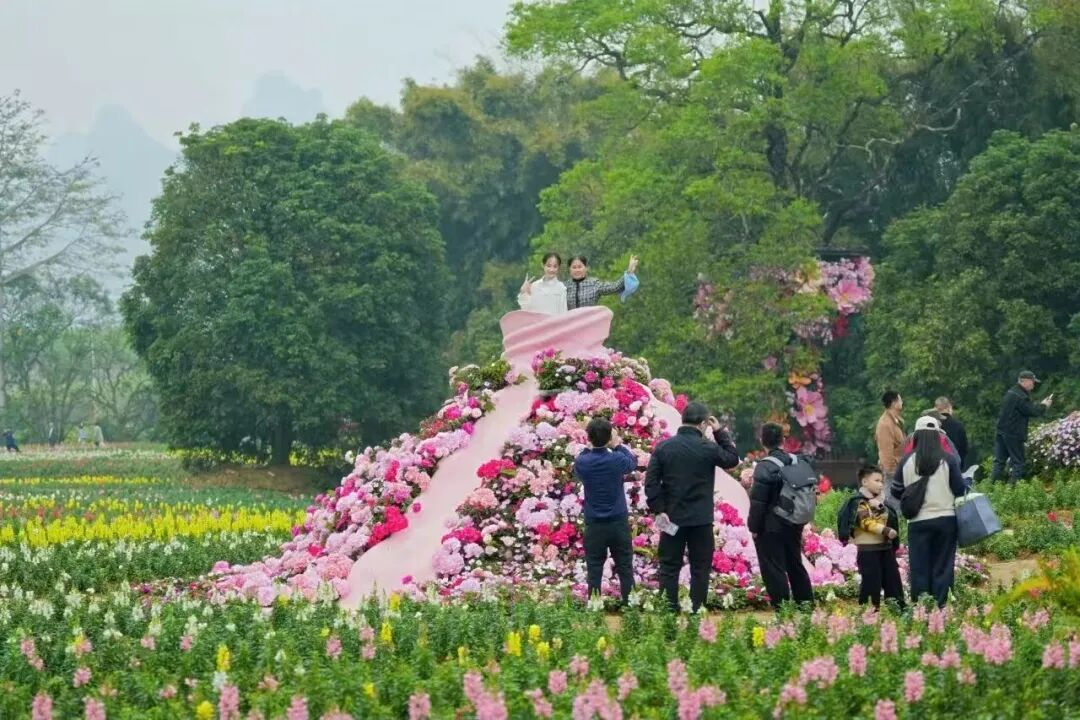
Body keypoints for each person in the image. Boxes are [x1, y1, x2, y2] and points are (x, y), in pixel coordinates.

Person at [644, 401, 739, 612]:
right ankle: (697, 612)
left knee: (669, 567)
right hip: (701, 520)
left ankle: (669, 612)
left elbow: (651, 484)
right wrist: (720, 432)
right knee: (700, 568)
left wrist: (659, 509)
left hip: (671, 519)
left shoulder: (664, 447)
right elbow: (732, 459)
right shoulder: (708, 447)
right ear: (704, 424)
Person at [890, 415, 967, 608]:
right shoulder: (948, 459)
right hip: (946, 520)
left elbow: (896, 491)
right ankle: (940, 608)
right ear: (938, 436)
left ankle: (922, 609)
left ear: (915, 436)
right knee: (943, 565)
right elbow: (960, 489)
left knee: (920, 567)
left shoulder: (907, 461)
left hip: (918, 522)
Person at [747, 423, 815, 610]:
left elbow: (758, 503)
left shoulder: (764, 467)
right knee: (795, 563)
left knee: (774, 568)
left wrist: (754, 528)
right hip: (794, 522)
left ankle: (783, 610)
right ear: (783, 440)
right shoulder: (797, 461)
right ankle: (806, 606)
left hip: (771, 526)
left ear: (762, 441)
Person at [573, 417, 638, 605]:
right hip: (618, 522)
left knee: (594, 568)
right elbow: (632, 462)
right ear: (610, 437)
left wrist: (589, 446)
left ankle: (594, 606)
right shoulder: (616, 459)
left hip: (594, 523)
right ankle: (630, 605)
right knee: (624, 566)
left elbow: (580, 464)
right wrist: (617, 444)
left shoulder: (583, 461)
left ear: (589, 437)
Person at [852, 465, 904, 610]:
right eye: (876, 480)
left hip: (886, 548)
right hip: (868, 551)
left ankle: (899, 612)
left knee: (893, 583)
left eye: (882, 481)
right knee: (871, 585)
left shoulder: (882, 501)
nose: (881, 485)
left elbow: (890, 517)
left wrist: (881, 506)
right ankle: (868, 615)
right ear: (864, 482)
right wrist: (886, 531)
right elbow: (866, 523)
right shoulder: (858, 502)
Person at [991, 371, 1052, 483]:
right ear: (1025, 381)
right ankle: (1012, 490)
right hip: (1013, 433)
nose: (1034, 384)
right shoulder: (1021, 396)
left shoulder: (1011, 392)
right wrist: (1044, 405)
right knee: (1018, 462)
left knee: (999, 462)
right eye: (1032, 381)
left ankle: (992, 488)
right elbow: (1032, 411)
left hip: (1001, 431)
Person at [565, 255, 639, 310]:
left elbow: (614, 287)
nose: (577, 270)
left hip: (590, 323)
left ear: (586, 268)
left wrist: (629, 271)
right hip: (570, 324)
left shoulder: (594, 284)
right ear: (569, 269)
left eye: (580, 267)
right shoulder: (564, 287)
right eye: (574, 267)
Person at [875, 390, 905, 476]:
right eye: (900, 400)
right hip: (892, 473)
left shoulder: (896, 420)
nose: (902, 402)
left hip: (899, 469)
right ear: (894, 403)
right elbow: (886, 454)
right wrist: (891, 472)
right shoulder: (885, 424)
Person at [934, 397, 969, 468]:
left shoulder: (931, 425)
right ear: (949, 408)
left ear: (935, 408)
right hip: (954, 466)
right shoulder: (958, 426)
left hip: (934, 467)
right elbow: (964, 449)